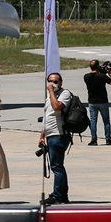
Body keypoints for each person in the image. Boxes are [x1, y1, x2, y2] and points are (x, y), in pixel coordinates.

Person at [39, 72, 72, 205]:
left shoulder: (64, 94)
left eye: (56, 81)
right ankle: (63, 195)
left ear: (61, 82)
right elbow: (47, 116)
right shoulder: (49, 96)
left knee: (57, 167)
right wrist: (42, 135)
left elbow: (57, 107)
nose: (53, 84)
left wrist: (52, 91)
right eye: (50, 81)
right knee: (58, 166)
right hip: (50, 134)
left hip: (59, 134)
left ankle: (57, 195)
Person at [84, 60, 111, 146]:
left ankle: (94, 139)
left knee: (93, 121)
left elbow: (95, 76)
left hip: (92, 102)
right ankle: (108, 139)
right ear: (98, 66)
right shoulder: (102, 77)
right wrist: (110, 74)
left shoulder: (86, 77)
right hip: (103, 101)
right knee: (106, 121)